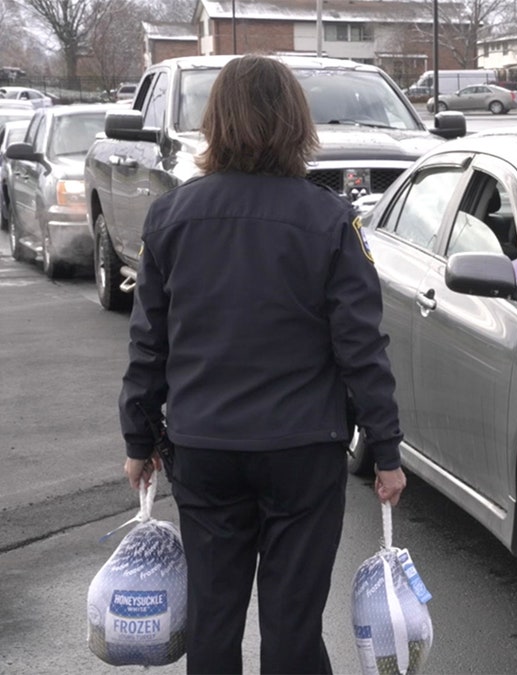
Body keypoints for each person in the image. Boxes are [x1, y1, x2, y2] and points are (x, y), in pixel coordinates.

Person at [118, 54, 406, 675]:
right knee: (293, 625)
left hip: (204, 447)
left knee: (214, 622)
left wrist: (138, 439)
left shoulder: (171, 216)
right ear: (296, 124)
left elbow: (149, 343)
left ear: (215, 122)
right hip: (302, 450)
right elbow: (360, 347)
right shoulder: (331, 221)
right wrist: (385, 449)